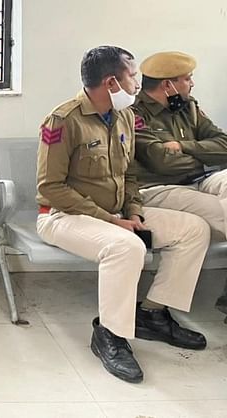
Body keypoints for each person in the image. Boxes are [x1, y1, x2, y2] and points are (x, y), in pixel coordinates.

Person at [36, 46, 210, 383]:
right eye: (132, 76)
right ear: (112, 82)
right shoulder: (62, 120)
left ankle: (153, 314)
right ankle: (110, 336)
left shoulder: (126, 116)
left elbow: (129, 174)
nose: (138, 84)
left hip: (117, 213)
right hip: (63, 216)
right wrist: (110, 219)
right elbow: (49, 188)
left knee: (193, 229)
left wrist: (133, 210)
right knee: (126, 247)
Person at [129, 51, 227, 321]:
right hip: (157, 190)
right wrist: (203, 155)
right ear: (167, 85)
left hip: (199, 181)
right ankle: (153, 313)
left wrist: (183, 146)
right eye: (187, 79)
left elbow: (225, 146)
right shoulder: (133, 114)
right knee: (214, 215)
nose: (192, 84)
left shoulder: (189, 107)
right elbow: (162, 163)